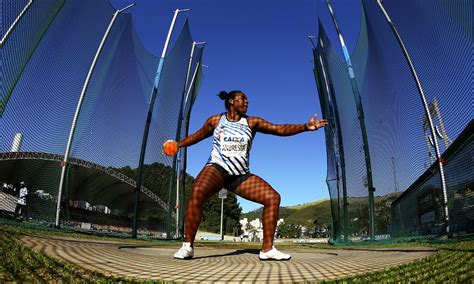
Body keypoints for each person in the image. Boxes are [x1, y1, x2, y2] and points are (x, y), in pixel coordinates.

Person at [170, 90, 328, 260]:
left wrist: (305, 126)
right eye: (243, 99)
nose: (247, 102)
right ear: (231, 101)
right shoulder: (216, 120)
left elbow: (280, 129)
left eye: (247, 100)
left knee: (273, 198)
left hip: (240, 175)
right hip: (217, 168)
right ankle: (187, 246)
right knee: (198, 191)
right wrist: (178, 144)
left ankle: (267, 249)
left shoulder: (252, 122)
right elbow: (197, 136)